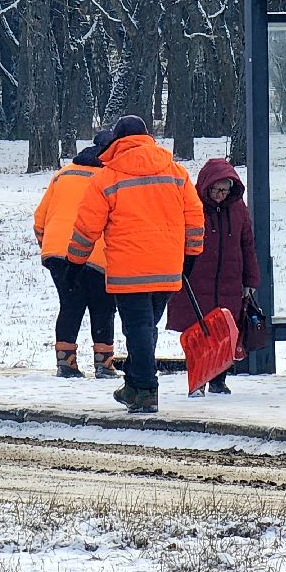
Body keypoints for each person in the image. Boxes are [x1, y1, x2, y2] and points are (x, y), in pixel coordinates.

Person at [66, 115, 204, 414]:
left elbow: (87, 227)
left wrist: (74, 263)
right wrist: (191, 256)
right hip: (167, 268)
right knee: (146, 328)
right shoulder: (176, 172)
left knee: (139, 328)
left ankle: (146, 390)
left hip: (129, 270)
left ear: (117, 141)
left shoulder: (107, 178)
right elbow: (194, 217)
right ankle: (133, 384)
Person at [166, 157, 260, 397]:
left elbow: (247, 244)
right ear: (206, 187)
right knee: (198, 334)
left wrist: (250, 280)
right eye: (216, 190)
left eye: (225, 191)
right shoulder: (191, 204)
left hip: (229, 279)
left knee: (225, 333)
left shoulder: (237, 208)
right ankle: (198, 379)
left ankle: (219, 379)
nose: (220, 195)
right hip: (196, 280)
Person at [33, 129, 119, 379]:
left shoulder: (64, 173)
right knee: (102, 307)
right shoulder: (110, 177)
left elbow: (40, 218)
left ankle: (66, 363)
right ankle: (104, 364)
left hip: (57, 251)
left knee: (70, 305)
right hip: (95, 252)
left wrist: (48, 245)